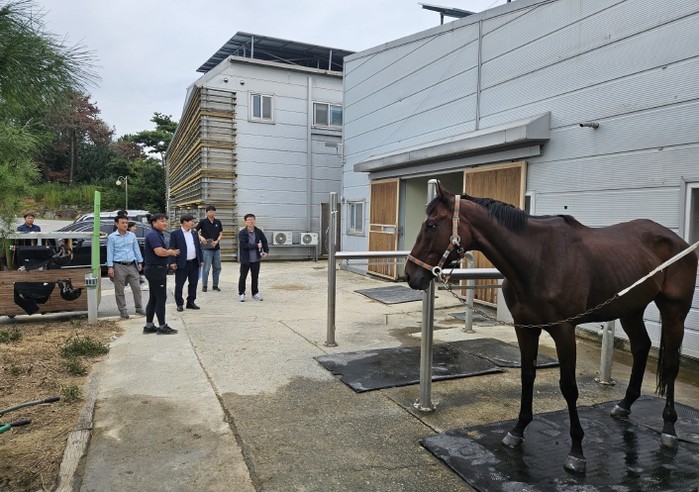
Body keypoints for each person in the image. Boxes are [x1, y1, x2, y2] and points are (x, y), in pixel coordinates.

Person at [143, 213, 180, 335]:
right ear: (154, 223)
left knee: (154, 298)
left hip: (155, 269)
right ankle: (162, 326)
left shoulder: (158, 234)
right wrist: (170, 252)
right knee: (161, 298)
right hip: (155, 270)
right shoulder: (153, 235)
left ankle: (149, 325)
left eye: (165, 221)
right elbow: (159, 251)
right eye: (162, 221)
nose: (165, 223)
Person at [107, 215, 146, 319]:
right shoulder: (112, 237)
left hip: (132, 265)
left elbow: (136, 249)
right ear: (116, 224)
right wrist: (110, 267)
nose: (125, 225)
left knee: (137, 288)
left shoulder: (132, 236)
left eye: (126, 223)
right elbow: (110, 252)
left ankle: (139, 308)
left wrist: (140, 261)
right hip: (119, 266)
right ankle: (123, 310)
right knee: (119, 290)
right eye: (122, 223)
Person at [169, 214, 203, 312]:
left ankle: (191, 302)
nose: (193, 223)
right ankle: (179, 303)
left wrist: (201, 260)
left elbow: (198, 247)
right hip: (182, 263)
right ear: (184, 222)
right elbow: (172, 248)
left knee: (193, 283)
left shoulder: (194, 233)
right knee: (179, 284)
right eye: (191, 221)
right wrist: (172, 262)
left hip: (194, 262)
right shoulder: (175, 234)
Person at [238, 213, 269, 302]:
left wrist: (266, 251)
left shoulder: (258, 231)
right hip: (245, 259)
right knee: (243, 277)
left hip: (256, 258)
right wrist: (256, 246)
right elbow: (244, 245)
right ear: (245, 222)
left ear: (255, 220)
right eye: (249, 220)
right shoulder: (242, 233)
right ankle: (241, 293)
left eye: (252, 220)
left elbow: (264, 241)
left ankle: (255, 293)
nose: (251, 221)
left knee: (255, 277)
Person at [196, 205, 223, 292]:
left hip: (216, 248)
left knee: (217, 267)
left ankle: (215, 285)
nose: (212, 213)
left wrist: (217, 241)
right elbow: (194, 231)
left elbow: (221, 233)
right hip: (207, 249)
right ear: (206, 213)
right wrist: (201, 238)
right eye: (210, 211)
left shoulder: (218, 222)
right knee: (206, 268)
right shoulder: (203, 222)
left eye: (213, 211)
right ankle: (204, 286)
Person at [129, 221, 148, 290]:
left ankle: (140, 283)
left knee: (135, 272)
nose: (135, 228)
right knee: (134, 272)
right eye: (134, 227)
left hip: (134, 258)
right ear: (129, 228)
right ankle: (140, 283)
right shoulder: (129, 236)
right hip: (131, 258)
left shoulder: (133, 235)